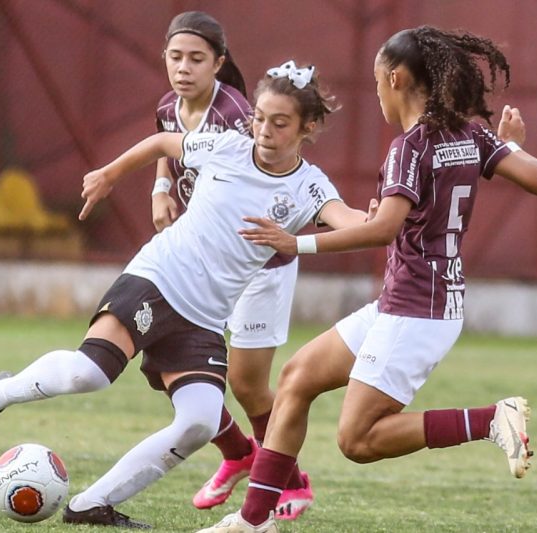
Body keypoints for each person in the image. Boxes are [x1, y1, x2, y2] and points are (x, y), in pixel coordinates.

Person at [0, 61, 371, 529]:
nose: (265, 131)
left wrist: (372, 219)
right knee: (90, 374)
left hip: (205, 318)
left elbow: (344, 217)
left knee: (200, 422)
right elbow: (163, 144)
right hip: (159, 279)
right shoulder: (228, 147)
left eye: (280, 122)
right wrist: (109, 173)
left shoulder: (307, 185)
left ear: (309, 127)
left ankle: (90, 506)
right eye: (261, 118)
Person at [198, 25, 537, 533]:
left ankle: (493, 419)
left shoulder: (409, 146)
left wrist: (292, 241)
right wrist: (512, 148)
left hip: (417, 311)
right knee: (297, 378)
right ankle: (253, 523)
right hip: (411, 302)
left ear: (396, 77)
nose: (378, 96)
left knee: (357, 442)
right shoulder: (471, 133)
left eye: (378, 84)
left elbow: (384, 230)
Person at [151, 12, 314, 519]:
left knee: (245, 384)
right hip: (201, 262)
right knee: (164, 365)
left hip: (256, 267)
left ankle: (292, 481)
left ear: (219, 63)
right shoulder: (166, 106)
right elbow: (166, 141)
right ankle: (239, 453)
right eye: (176, 57)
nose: (184, 68)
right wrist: (161, 186)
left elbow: (278, 179)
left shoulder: (238, 116)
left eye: (196, 59)